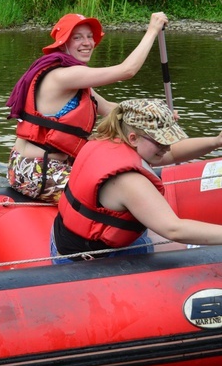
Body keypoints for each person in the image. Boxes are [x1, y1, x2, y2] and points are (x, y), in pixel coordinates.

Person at [6, 12, 169, 203]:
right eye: (77, 37)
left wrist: (158, 117)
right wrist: (152, 30)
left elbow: (110, 108)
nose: (87, 42)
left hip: (47, 165)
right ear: (63, 43)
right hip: (36, 170)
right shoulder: (63, 76)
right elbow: (127, 70)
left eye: (89, 36)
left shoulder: (75, 81)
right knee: (119, 194)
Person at [51, 99, 222, 264]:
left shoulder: (109, 140)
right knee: (196, 254)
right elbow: (173, 229)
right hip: (88, 263)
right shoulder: (128, 182)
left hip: (66, 242)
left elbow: (173, 154)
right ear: (133, 138)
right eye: (161, 142)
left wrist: (216, 141)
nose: (167, 147)